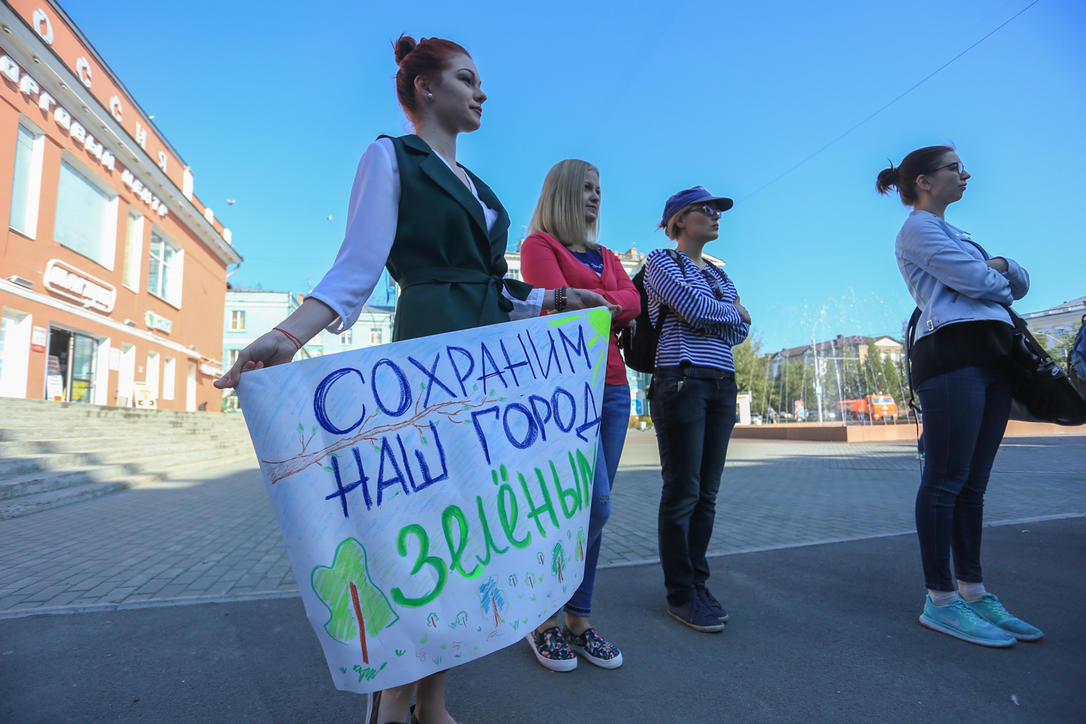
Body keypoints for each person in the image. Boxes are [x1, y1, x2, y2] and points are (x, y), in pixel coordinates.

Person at [215, 35, 617, 724]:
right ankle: (393, 696)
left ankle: (433, 699)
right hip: (429, 354)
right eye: (466, 78)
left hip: (485, 363)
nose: (481, 92)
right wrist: (287, 336)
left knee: (469, 535)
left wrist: (554, 299)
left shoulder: (481, 189)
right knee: (424, 522)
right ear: (425, 88)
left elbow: (494, 287)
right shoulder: (391, 156)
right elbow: (357, 266)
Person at [878, 145, 1042, 647]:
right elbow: (979, 282)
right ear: (924, 182)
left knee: (972, 485)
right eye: (954, 168)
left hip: (992, 356)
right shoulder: (917, 229)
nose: (965, 174)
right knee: (945, 481)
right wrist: (997, 272)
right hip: (952, 359)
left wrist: (1000, 265)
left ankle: (974, 592)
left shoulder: (959, 235)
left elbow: (1017, 283)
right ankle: (941, 600)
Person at [518, 159, 640, 671]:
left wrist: (596, 301)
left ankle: (578, 620)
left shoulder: (606, 255)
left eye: (598, 188)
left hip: (612, 388)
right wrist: (604, 304)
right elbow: (557, 307)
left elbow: (633, 302)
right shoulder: (538, 246)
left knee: (593, 508)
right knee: (581, 507)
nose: (595, 196)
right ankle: (541, 618)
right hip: (563, 390)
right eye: (585, 188)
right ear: (563, 193)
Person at [644, 187, 750, 633]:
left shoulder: (721, 274)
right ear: (680, 220)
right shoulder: (662, 261)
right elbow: (692, 308)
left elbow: (742, 331)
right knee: (683, 489)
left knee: (707, 493)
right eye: (707, 210)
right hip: (682, 381)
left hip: (722, 383)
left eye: (718, 211)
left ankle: (698, 583)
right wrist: (729, 312)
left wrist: (720, 313)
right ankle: (681, 593)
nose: (716, 216)